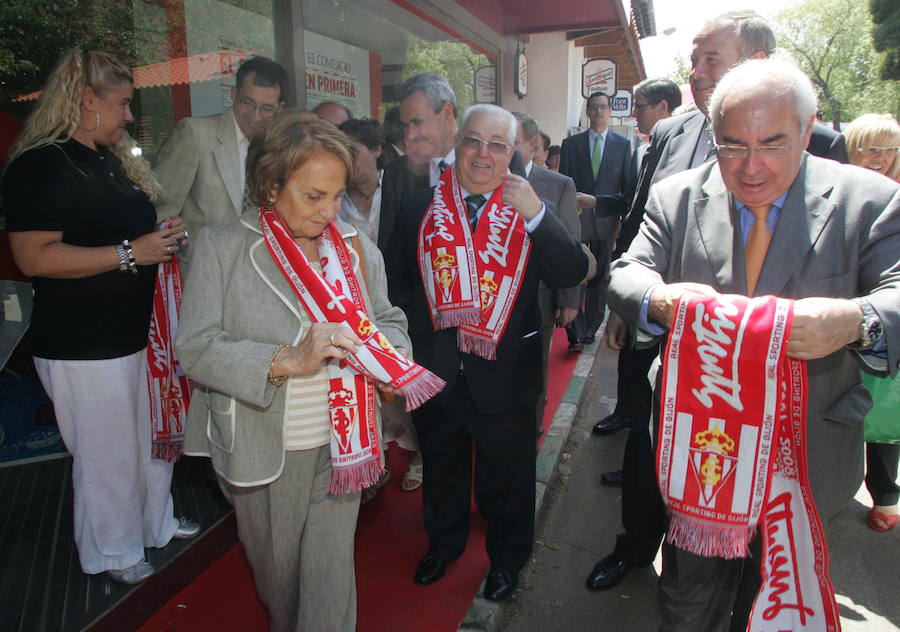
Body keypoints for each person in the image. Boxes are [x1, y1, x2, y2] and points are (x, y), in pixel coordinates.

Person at [609, 58, 900, 632]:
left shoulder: (869, 199)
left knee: (781, 595)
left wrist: (853, 320)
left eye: (772, 143)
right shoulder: (677, 196)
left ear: (809, 126)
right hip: (704, 449)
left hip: (810, 449)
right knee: (688, 595)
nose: (752, 167)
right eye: (732, 146)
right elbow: (627, 272)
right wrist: (660, 301)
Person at [587, 9, 853, 594]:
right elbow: (640, 236)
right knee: (651, 472)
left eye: (712, 58)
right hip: (684, 373)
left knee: (767, 584)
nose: (695, 70)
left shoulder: (836, 162)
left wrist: (852, 321)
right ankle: (636, 547)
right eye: (694, 58)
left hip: (789, 411)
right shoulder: (674, 133)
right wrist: (640, 302)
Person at [176, 111, 440, 631]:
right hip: (262, 444)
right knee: (281, 580)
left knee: (328, 577)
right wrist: (287, 360)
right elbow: (195, 348)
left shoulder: (356, 247)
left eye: (338, 195)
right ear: (272, 186)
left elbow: (387, 318)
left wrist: (394, 362)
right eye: (314, 196)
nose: (330, 211)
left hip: (347, 443)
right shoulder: (223, 246)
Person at [3, 48, 196, 585]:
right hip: (82, 344)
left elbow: (125, 236)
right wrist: (133, 253)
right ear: (86, 101)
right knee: (106, 454)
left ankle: (152, 525)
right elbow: (33, 256)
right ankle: (112, 550)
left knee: (151, 439)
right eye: (122, 103)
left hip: (137, 335)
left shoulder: (108, 159)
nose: (129, 115)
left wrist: (159, 238)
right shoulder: (40, 165)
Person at [390, 104, 588, 602]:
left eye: (497, 145)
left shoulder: (534, 203)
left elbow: (571, 273)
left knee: (509, 477)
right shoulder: (421, 206)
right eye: (474, 141)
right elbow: (396, 286)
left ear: (515, 151)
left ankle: (506, 560)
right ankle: (444, 544)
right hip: (437, 370)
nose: (483, 154)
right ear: (457, 142)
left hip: (508, 373)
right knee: (442, 468)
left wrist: (537, 217)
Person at [338, 117, 424, 493]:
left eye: (353, 153)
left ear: (376, 150)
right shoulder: (333, 199)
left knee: (408, 387)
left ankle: (420, 456)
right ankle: (380, 459)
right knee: (371, 393)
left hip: (406, 306)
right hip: (359, 312)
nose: (346, 162)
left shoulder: (407, 185)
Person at [595, 77, 682, 440]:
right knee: (629, 355)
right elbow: (634, 205)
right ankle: (626, 415)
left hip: (671, 283)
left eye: (640, 106)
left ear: (663, 109)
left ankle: (646, 434)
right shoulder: (647, 148)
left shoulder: (682, 148)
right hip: (637, 267)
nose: (634, 114)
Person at [154, 56, 288, 240]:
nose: (255, 117)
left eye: (266, 109)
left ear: (280, 108)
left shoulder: (278, 147)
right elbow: (162, 210)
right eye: (247, 103)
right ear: (233, 93)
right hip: (203, 262)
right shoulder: (196, 134)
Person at [844, 112, 900, 532]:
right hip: (839, 326)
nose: (880, 158)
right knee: (839, 410)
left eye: (890, 149)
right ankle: (831, 487)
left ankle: (885, 494)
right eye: (872, 148)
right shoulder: (836, 192)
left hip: (885, 324)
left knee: (886, 411)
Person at [513, 112, 581, 429]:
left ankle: (532, 424)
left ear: (532, 143)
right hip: (491, 298)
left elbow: (570, 243)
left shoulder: (558, 185)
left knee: (535, 366)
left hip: (539, 298)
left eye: (511, 143)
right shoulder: (483, 180)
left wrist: (568, 299)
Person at [559, 91, 634, 351]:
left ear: (610, 111)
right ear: (588, 112)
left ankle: (591, 328)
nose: (599, 111)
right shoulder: (572, 145)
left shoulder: (623, 146)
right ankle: (575, 333)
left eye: (603, 107)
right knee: (576, 273)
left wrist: (598, 202)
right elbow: (563, 186)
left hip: (605, 222)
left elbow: (627, 193)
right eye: (594, 107)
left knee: (600, 278)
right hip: (577, 221)